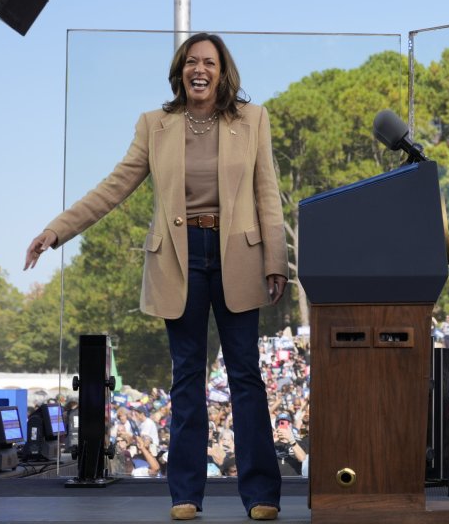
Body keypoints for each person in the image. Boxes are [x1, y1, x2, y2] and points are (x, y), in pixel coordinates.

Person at [24, 33, 286, 522]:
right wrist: (54, 231)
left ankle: (261, 495)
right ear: (180, 71)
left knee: (246, 377)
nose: (199, 69)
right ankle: (185, 494)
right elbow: (113, 187)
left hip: (238, 258)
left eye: (209, 62)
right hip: (179, 261)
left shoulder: (252, 120)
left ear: (223, 71)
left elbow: (267, 192)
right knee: (186, 378)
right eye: (191, 62)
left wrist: (277, 260)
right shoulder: (155, 125)